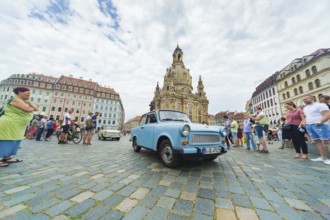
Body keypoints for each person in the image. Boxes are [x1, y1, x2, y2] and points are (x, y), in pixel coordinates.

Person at [0, 87, 38, 167]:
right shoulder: (15, 99)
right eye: (27, 93)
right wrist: (32, 107)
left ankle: (6, 157)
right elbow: (27, 109)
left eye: (29, 93)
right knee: (4, 141)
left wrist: (29, 103)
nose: (29, 95)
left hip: (17, 126)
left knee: (13, 141)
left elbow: (36, 109)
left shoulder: (24, 101)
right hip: (8, 123)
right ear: (20, 92)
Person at [302, 95, 330, 164]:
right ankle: (323, 157)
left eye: (306, 99)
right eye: (304, 100)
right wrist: (304, 122)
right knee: (317, 141)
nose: (304, 100)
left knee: (327, 141)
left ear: (312, 98)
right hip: (309, 125)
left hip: (321, 125)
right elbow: (307, 116)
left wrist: (320, 121)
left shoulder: (320, 105)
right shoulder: (305, 108)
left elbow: (327, 114)